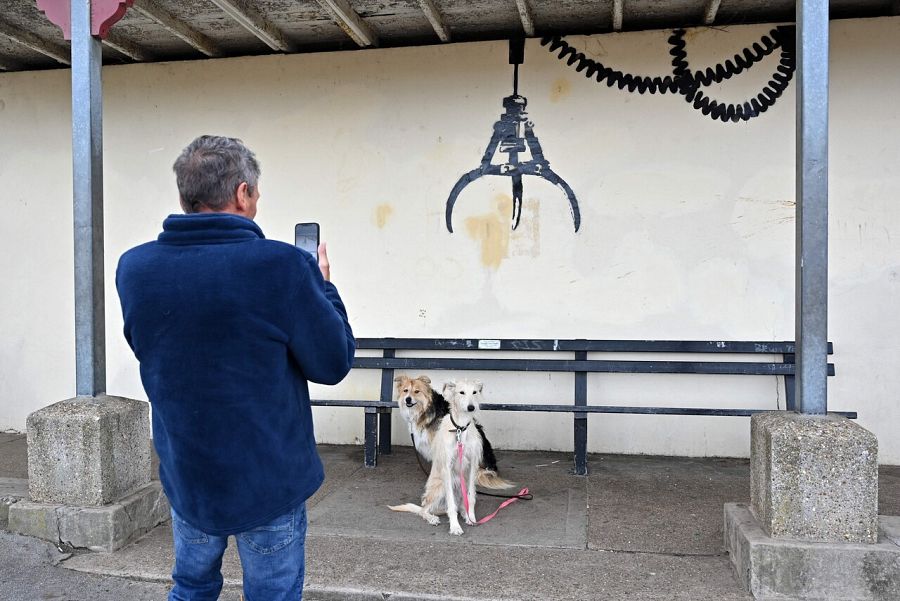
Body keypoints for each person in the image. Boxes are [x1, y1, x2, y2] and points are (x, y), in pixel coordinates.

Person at [116, 135, 355, 600]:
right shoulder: (282, 266)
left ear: (186, 195)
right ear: (242, 193)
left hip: (188, 475)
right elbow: (332, 362)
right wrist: (324, 287)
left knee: (190, 588)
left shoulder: (135, 268)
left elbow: (150, 348)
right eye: (257, 195)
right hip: (267, 480)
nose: (258, 204)